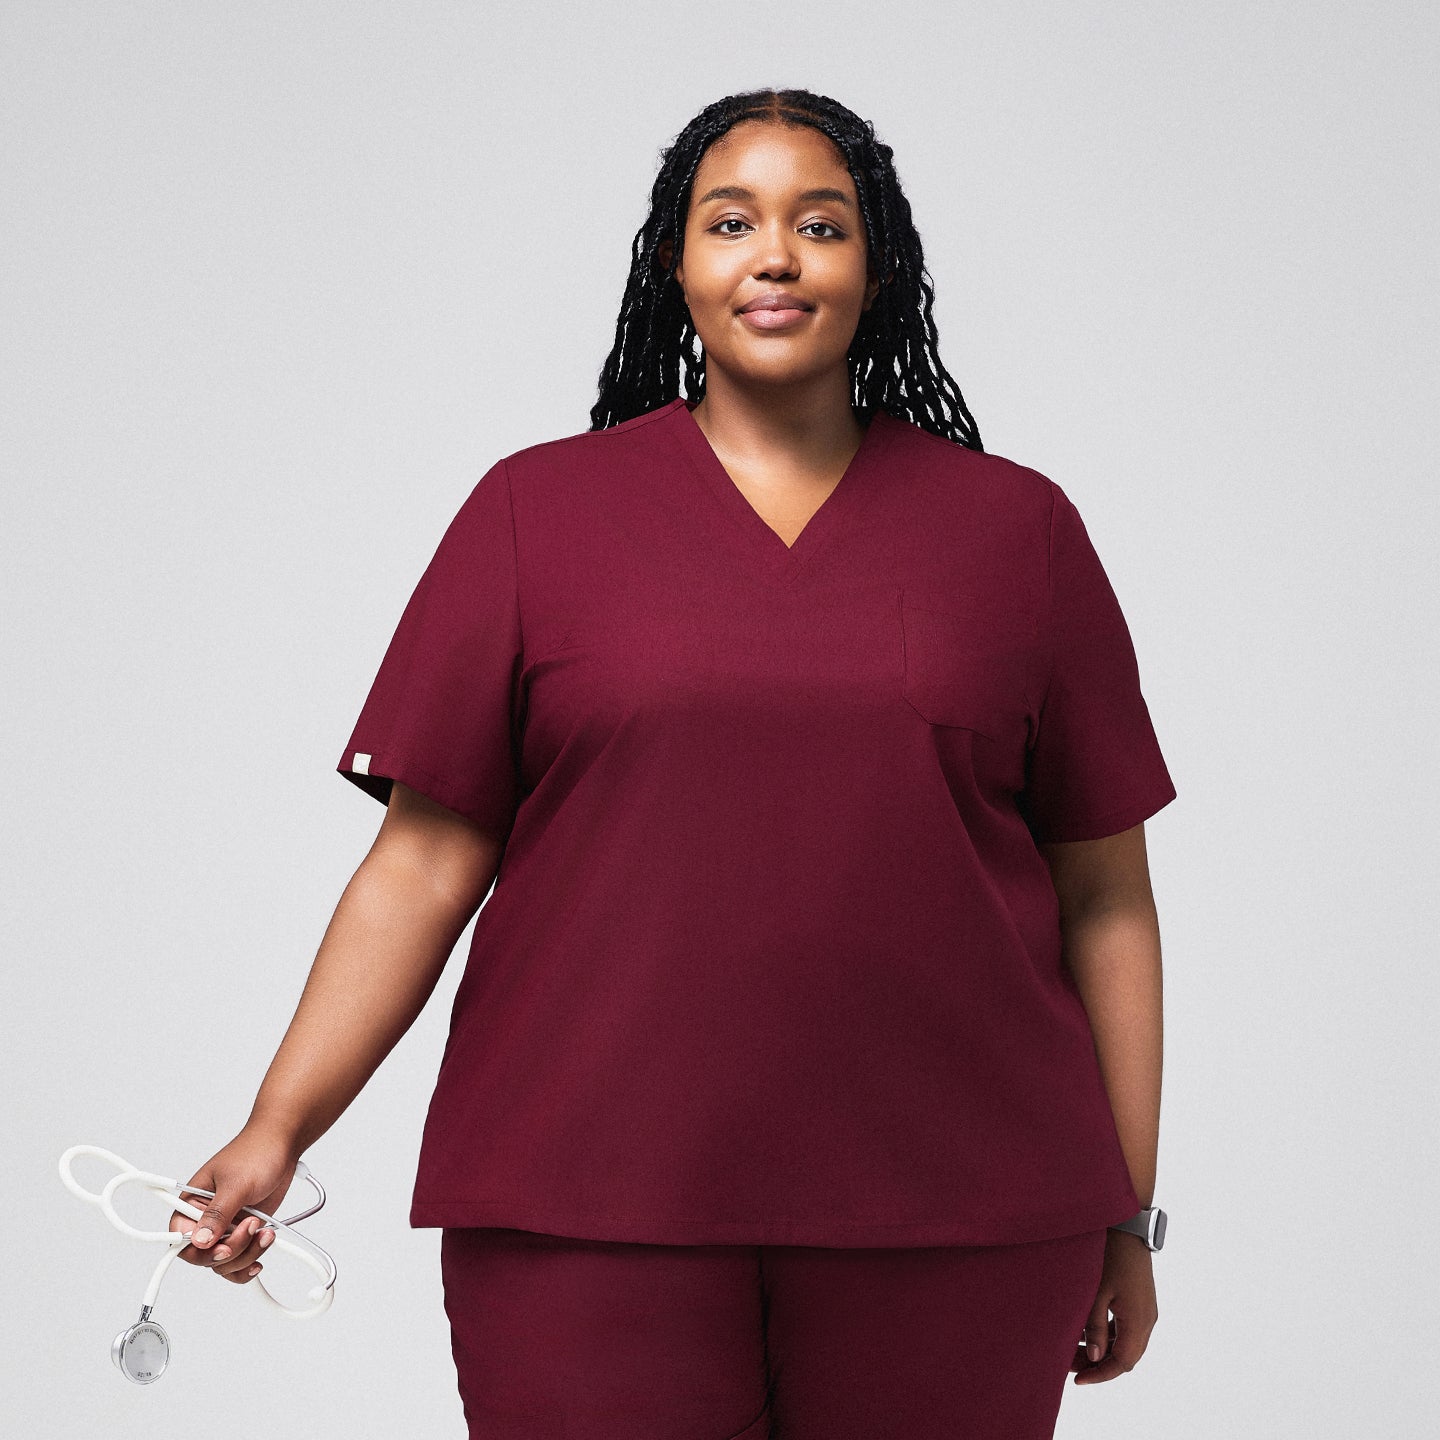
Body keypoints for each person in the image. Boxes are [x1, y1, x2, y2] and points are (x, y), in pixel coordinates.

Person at [169, 87, 1176, 1439]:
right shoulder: (536, 514)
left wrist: (1129, 1208)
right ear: (676, 265)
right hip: (585, 1207)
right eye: (731, 222)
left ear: (877, 271)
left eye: (821, 224)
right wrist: (276, 1128)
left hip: (964, 1215)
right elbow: (420, 864)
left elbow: (1108, 897)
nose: (775, 254)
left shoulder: (1017, 535)